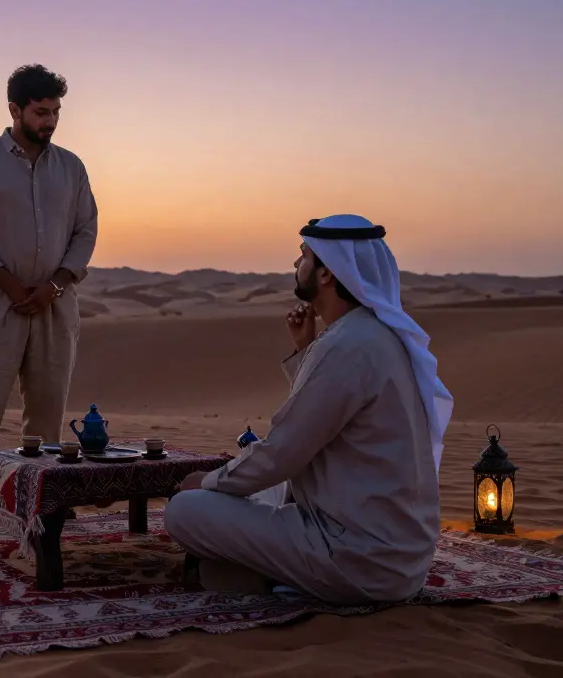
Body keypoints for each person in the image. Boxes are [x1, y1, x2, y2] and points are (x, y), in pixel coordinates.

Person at [164, 214, 454, 603]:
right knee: (261, 495)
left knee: (185, 510)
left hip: (357, 558)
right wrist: (306, 350)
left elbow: (282, 453)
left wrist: (207, 482)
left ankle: (280, 581)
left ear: (326, 274)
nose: (295, 265)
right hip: (399, 560)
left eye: (303, 256)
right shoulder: (372, 336)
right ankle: (263, 573)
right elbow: (331, 415)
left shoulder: (347, 346)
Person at [0, 64, 99, 524]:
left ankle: (45, 503)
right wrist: (9, 283)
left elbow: (86, 231)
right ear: (15, 110)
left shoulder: (72, 167)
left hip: (56, 304)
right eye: (41, 112)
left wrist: (54, 285)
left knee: (47, 411)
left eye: (56, 112)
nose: (49, 121)